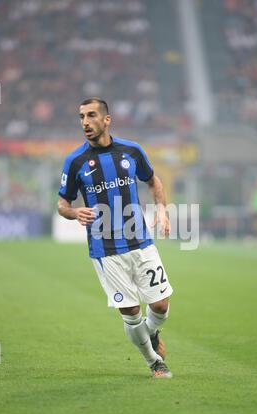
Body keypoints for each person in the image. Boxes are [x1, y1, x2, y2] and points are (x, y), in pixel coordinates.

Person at [58, 97, 173, 378]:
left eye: (91, 115)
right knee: (131, 312)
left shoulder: (131, 151)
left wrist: (162, 210)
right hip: (105, 249)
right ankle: (154, 362)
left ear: (106, 120)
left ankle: (152, 332)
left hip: (141, 242)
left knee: (160, 305)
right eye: (81, 116)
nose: (85, 122)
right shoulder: (75, 162)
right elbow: (62, 204)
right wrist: (74, 213)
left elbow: (153, 180)